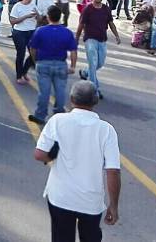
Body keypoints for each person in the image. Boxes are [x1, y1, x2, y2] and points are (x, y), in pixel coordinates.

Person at [34, 80, 120, 242]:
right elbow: (113, 171)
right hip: (90, 202)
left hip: (61, 196)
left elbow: (39, 154)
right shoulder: (106, 130)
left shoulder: (57, 121)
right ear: (95, 101)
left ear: (72, 99)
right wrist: (113, 206)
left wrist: (51, 157)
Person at [28, 5, 78, 125]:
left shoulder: (40, 31)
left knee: (44, 92)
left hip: (43, 63)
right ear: (60, 17)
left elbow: (33, 48)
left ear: (48, 17)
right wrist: (72, 66)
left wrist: (35, 61)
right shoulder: (67, 32)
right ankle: (59, 115)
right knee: (60, 91)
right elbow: (73, 51)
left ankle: (40, 115)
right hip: (60, 64)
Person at [76, 0, 121, 99]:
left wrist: (116, 35)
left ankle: (84, 72)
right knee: (93, 64)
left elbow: (111, 23)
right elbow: (81, 24)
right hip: (90, 39)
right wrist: (76, 38)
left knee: (99, 63)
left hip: (102, 40)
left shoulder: (105, 9)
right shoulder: (87, 9)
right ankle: (95, 90)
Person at [10, 0, 39, 85]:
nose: (30, 0)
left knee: (34, 53)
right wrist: (26, 16)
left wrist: (37, 15)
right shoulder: (17, 6)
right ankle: (19, 76)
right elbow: (12, 21)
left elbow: (39, 19)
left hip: (31, 31)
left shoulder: (33, 5)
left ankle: (24, 71)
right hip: (20, 32)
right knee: (21, 54)